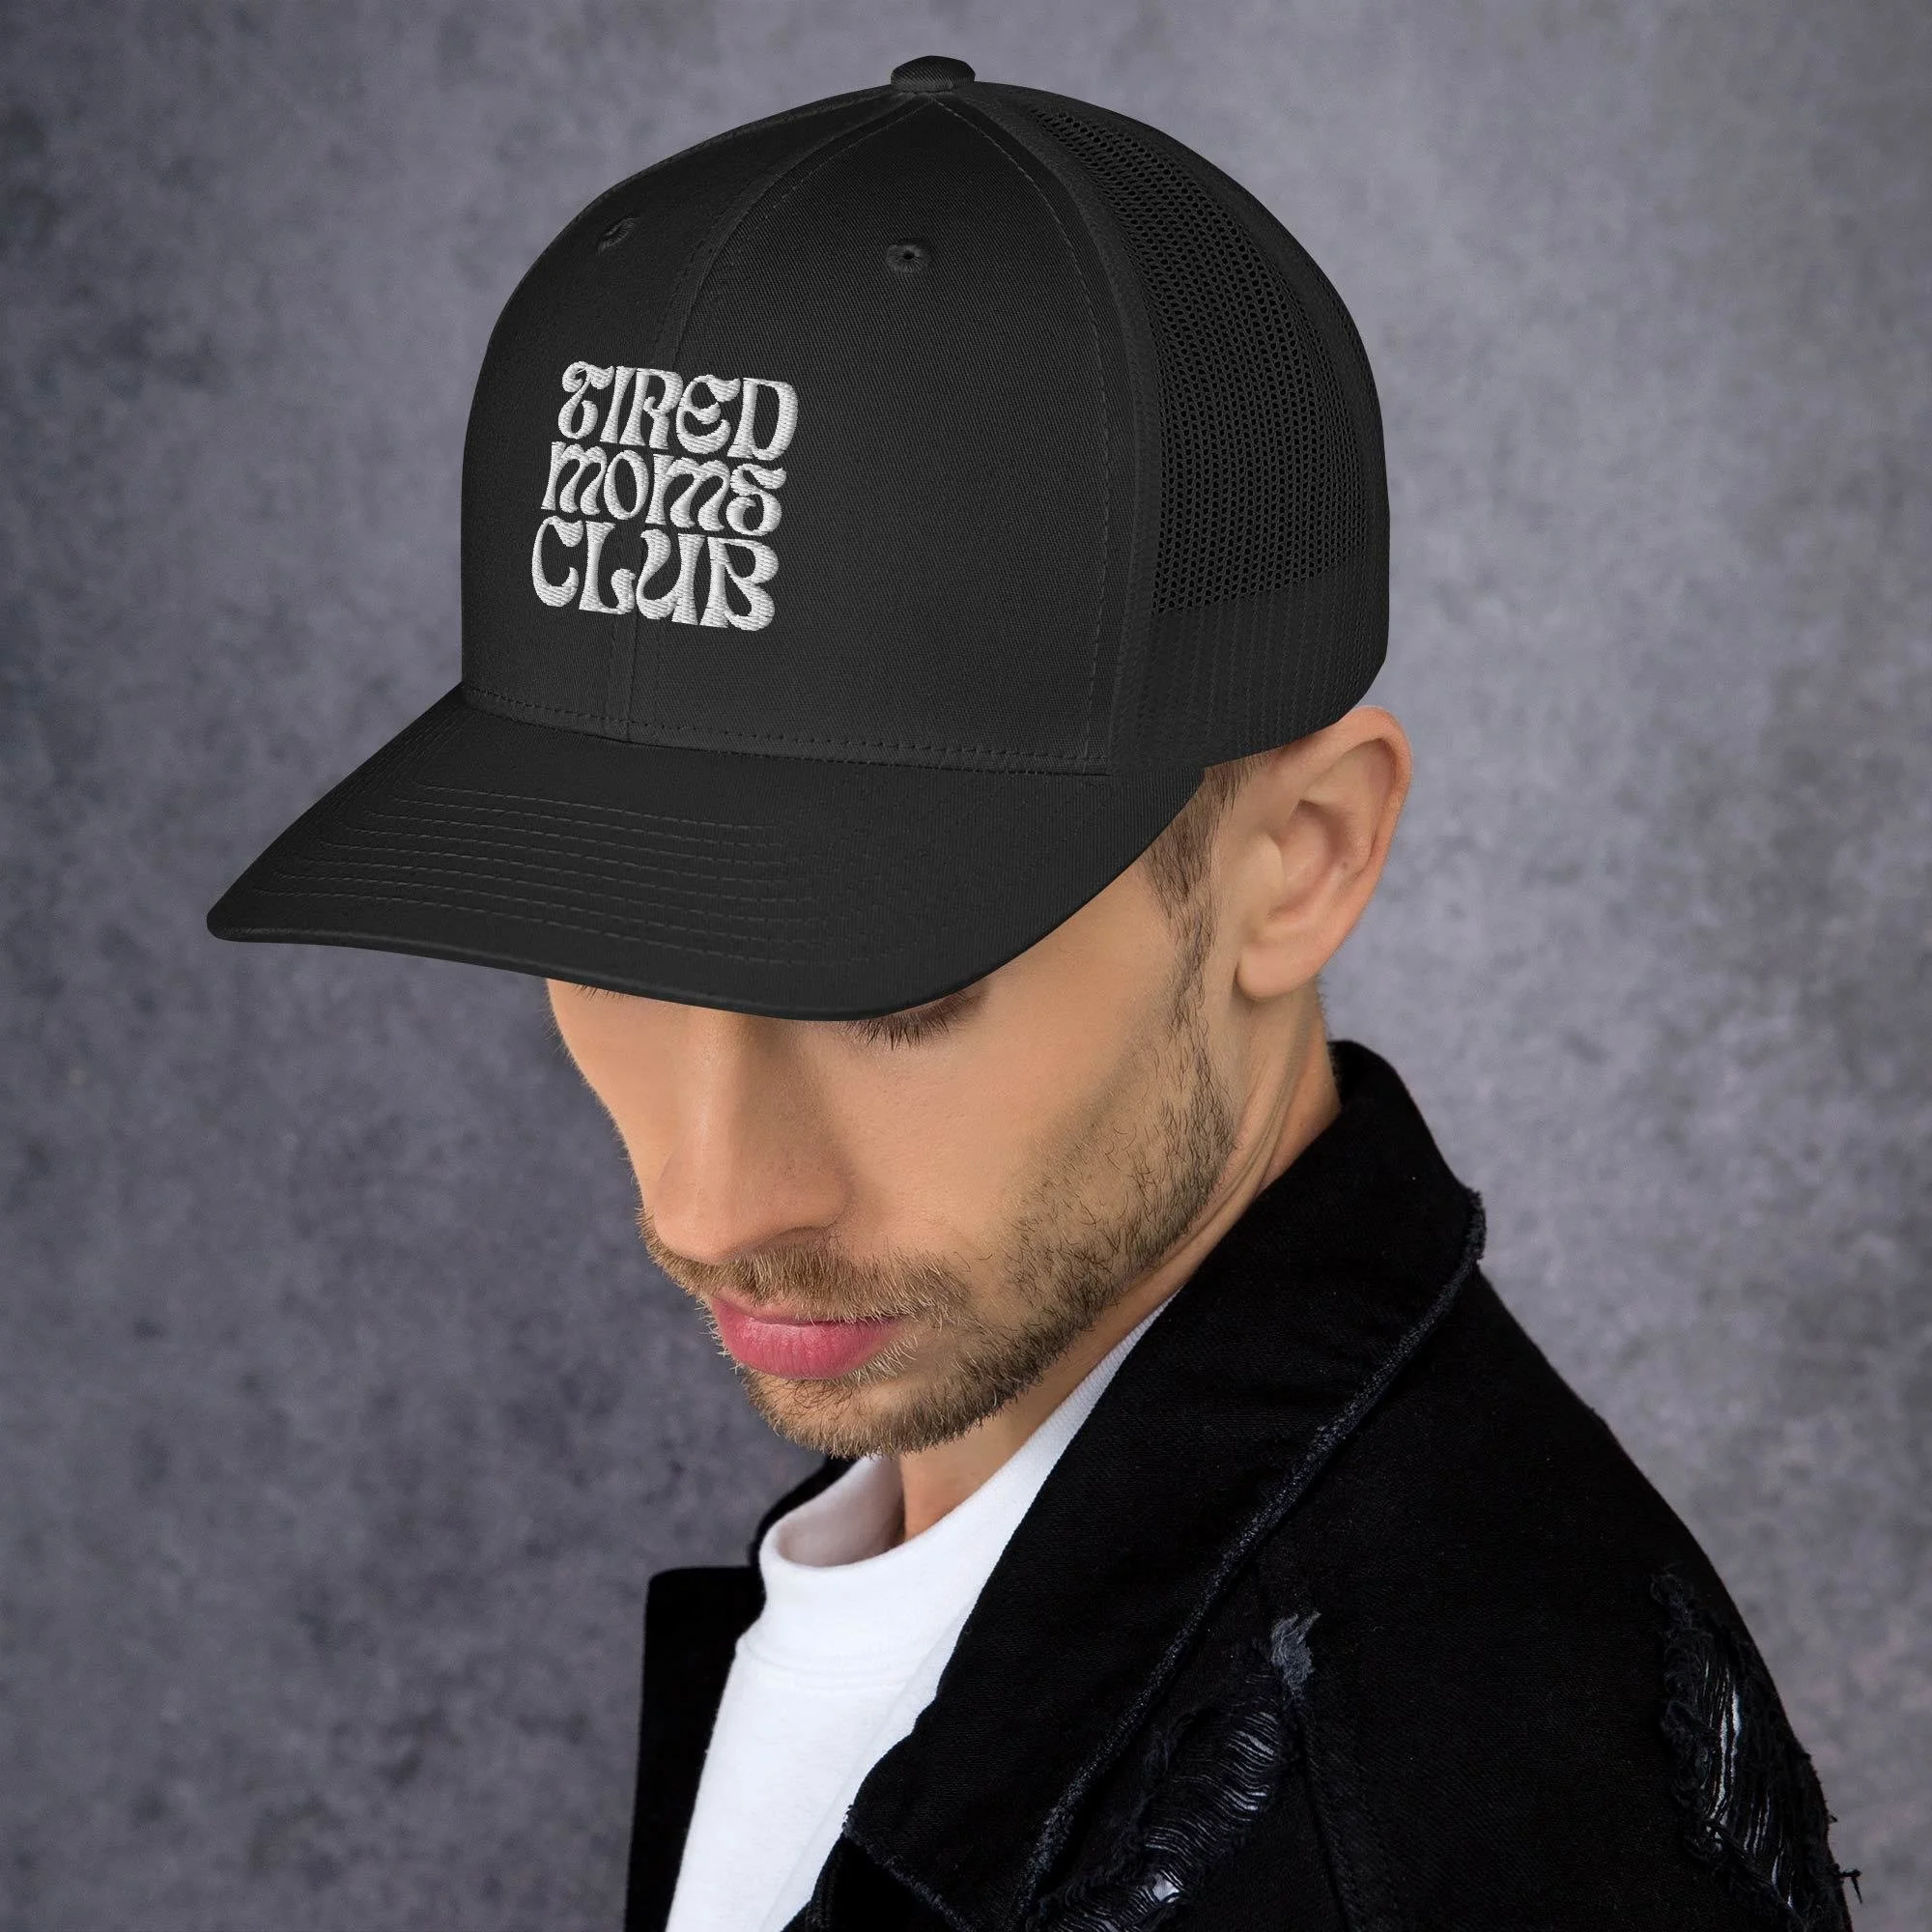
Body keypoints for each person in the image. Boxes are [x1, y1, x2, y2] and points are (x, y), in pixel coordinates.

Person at [208, 53, 1857, 1932]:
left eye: (890, 988)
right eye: (616, 941)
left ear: (1298, 857)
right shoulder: (959, 1553)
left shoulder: (1430, 1822)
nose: (710, 1201)